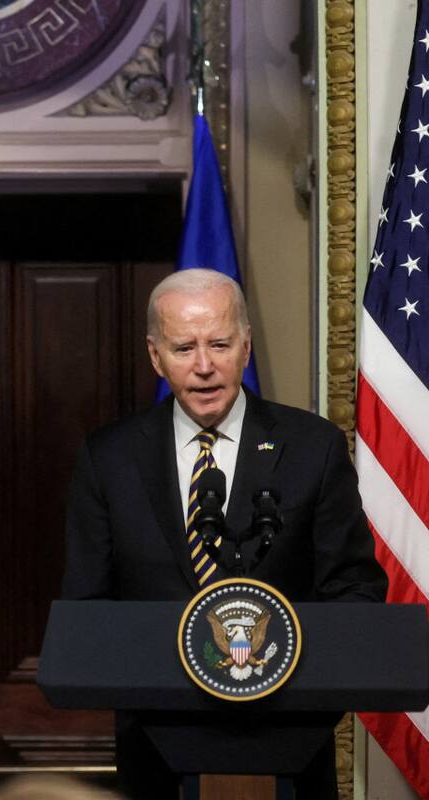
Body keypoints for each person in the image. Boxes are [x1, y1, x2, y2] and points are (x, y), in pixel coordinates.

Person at [60, 269, 387, 798]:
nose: (204, 366)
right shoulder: (109, 458)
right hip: (157, 752)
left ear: (246, 345)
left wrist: (296, 693)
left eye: (219, 343)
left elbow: (356, 592)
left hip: (288, 745)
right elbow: (88, 610)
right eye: (184, 347)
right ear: (155, 356)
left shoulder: (313, 447)